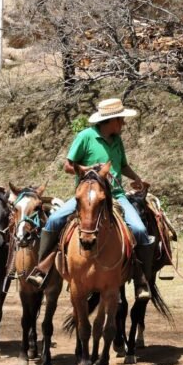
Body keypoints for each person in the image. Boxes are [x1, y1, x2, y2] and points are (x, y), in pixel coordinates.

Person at [27, 98, 154, 300]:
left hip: (116, 195)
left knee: (139, 230)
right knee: (54, 220)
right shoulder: (85, 137)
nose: (123, 124)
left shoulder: (117, 140)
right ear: (111, 120)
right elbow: (68, 166)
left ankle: (141, 279)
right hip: (87, 196)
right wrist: (88, 169)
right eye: (121, 120)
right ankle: (42, 268)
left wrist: (137, 178)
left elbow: (123, 165)